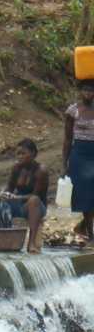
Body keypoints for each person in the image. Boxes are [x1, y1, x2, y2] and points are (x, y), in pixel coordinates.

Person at [0, 138, 49, 253]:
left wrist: (17, 197)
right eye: (18, 154)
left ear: (33, 154)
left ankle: (31, 243)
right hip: (15, 204)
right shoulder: (16, 167)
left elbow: (36, 195)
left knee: (34, 200)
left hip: (33, 207)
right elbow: (9, 188)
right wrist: (4, 194)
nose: (19, 157)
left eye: (23, 153)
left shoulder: (41, 170)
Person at [63, 80, 94, 243]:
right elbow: (67, 139)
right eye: (85, 90)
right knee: (86, 195)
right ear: (80, 91)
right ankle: (90, 232)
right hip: (79, 155)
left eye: (91, 91)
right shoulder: (73, 110)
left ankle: (83, 226)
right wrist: (64, 164)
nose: (88, 93)